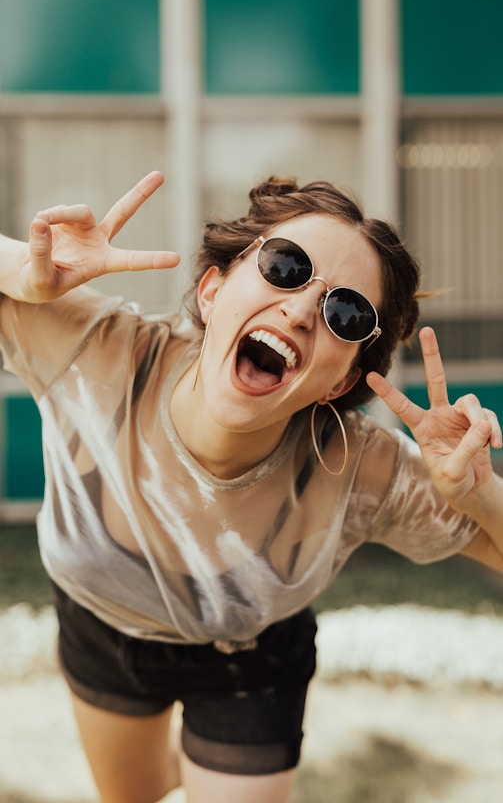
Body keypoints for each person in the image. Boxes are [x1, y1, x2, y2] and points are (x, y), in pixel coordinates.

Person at [1, 170, 502, 803]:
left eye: (345, 313)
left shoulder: (361, 469)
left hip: (251, 658)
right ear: (213, 291)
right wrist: (22, 271)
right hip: (100, 621)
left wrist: (476, 494)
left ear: (340, 383)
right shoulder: (96, 349)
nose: (298, 311)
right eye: (286, 268)